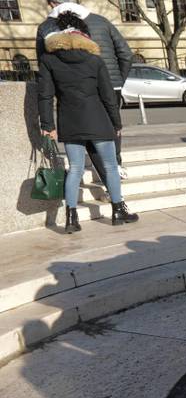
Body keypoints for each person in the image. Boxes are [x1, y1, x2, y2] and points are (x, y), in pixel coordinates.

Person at [38, 12, 138, 233]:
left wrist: (48, 126)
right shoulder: (94, 59)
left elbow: (44, 96)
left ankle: (71, 218)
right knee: (111, 167)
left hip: (69, 121)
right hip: (99, 119)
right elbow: (108, 96)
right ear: (83, 34)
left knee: (74, 169)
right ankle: (118, 211)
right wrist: (116, 123)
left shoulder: (48, 60)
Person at [37, 0, 133, 180]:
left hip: (73, 87)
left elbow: (43, 65)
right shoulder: (101, 21)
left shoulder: (47, 26)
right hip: (111, 82)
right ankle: (116, 165)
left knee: (89, 135)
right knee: (111, 125)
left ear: (53, 5)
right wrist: (118, 81)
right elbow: (126, 54)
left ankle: (109, 178)